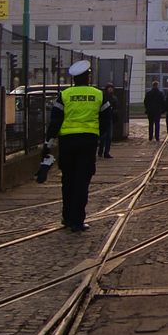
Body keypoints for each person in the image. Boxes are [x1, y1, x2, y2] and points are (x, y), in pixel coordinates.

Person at [46, 59, 103, 231]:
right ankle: (78, 220)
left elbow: (55, 121)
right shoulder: (98, 94)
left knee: (68, 180)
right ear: (88, 76)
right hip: (88, 142)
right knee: (82, 182)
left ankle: (67, 217)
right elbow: (109, 118)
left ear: (74, 79)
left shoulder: (64, 95)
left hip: (67, 143)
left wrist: (48, 143)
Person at [96, 84, 116, 158]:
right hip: (104, 119)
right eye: (109, 88)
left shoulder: (114, 98)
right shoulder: (104, 97)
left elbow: (116, 107)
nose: (111, 90)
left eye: (112, 88)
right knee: (103, 137)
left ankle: (106, 152)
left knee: (109, 137)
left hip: (109, 119)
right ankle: (101, 151)